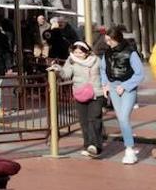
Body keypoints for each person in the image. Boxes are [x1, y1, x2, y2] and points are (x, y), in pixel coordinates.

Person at [100, 25, 145, 165]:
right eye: (106, 40)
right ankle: (129, 145)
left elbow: (140, 74)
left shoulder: (131, 52)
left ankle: (129, 149)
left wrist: (125, 86)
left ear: (116, 39)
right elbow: (103, 69)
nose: (108, 43)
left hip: (127, 88)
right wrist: (105, 85)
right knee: (121, 118)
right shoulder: (107, 53)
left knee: (124, 117)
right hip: (113, 87)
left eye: (109, 40)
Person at [62, 40, 104, 157]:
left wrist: (107, 87)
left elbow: (104, 73)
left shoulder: (96, 60)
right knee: (84, 121)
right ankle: (87, 145)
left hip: (96, 92)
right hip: (80, 93)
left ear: (86, 52)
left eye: (80, 52)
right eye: (75, 52)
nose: (77, 55)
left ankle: (95, 146)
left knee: (94, 119)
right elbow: (66, 74)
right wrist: (58, 70)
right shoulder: (71, 60)